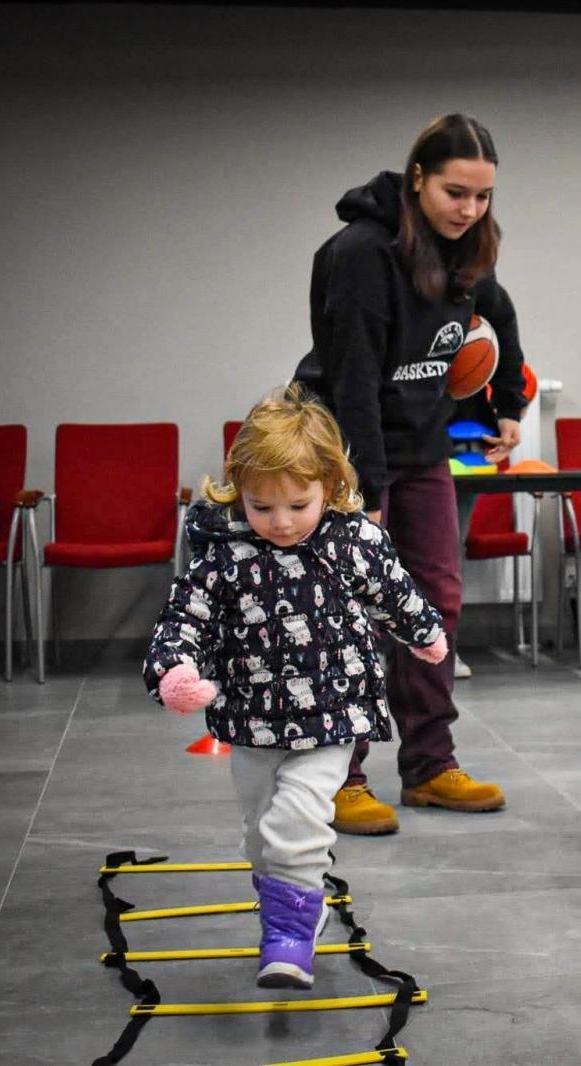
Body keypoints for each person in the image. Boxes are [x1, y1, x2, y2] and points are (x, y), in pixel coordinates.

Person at [143, 386, 448, 988]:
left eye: (298, 506)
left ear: (331, 487)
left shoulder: (353, 541)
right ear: (238, 494)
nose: (280, 523)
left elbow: (394, 590)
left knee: (296, 823)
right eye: (262, 507)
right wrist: (174, 672)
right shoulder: (224, 553)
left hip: (332, 717)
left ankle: (288, 936)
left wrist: (423, 632)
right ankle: (289, 902)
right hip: (252, 718)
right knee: (261, 835)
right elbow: (184, 619)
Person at [294, 114, 528, 832]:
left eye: (484, 197)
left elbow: (498, 311)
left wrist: (505, 404)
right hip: (344, 450)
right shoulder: (361, 253)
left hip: (423, 450)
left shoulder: (464, 252)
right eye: (457, 192)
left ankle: (429, 767)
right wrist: (361, 492)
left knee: (434, 605)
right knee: (351, 614)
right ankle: (342, 777)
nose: (470, 209)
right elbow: (356, 380)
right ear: (418, 179)